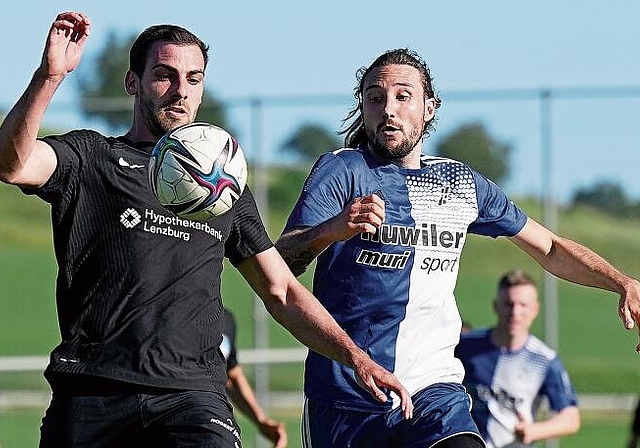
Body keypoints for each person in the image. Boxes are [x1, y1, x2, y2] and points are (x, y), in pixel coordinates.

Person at [0, 12, 413, 447]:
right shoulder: (92, 157)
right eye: (164, 75)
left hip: (192, 396)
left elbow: (283, 291)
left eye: (193, 79)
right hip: (92, 392)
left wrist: (357, 359)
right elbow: (12, 165)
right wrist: (49, 78)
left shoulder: (225, 185)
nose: (180, 90)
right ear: (132, 82)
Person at [275, 47, 640, 448]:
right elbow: (281, 266)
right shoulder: (342, 170)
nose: (388, 109)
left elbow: (550, 248)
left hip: (435, 392)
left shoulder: (459, 183)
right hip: (347, 399)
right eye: (375, 98)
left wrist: (621, 281)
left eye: (402, 96)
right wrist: (331, 229)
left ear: (429, 108)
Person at [455, 270, 580, 447]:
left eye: (523, 305)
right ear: (495, 306)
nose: (515, 312)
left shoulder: (544, 360)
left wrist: (535, 430)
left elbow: (570, 418)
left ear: (535, 309)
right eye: (508, 304)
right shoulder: (466, 346)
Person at [220, 307, 288, 448]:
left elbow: (231, 376)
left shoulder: (225, 319)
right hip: (173, 416)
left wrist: (261, 421)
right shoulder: (169, 310)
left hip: (212, 418)